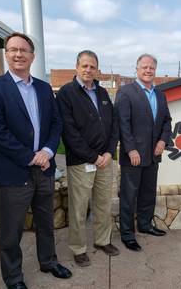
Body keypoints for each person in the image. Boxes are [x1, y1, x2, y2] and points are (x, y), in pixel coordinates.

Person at [0, 32, 71, 289]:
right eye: (12, 50)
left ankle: (49, 261)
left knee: (46, 221)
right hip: (13, 172)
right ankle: (13, 277)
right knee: (11, 231)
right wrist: (31, 156)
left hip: (44, 169)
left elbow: (56, 123)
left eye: (23, 50)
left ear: (33, 56)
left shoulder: (43, 88)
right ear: (6, 54)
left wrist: (48, 151)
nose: (18, 54)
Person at [56, 50, 120, 267]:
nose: (88, 70)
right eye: (84, 66)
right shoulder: (66, 93)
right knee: (79, 208)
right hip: (82, 162)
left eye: (92, 67)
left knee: (103, 204)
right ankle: (78, 248)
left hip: (105, 160)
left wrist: (110, 153)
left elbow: (113, 125)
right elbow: (69, 132)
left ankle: (102, 241)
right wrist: (93, 156)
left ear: (97, 69)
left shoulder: (102, 93)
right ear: (77, 67)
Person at [115, 53, 172, 251]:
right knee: (129, 195)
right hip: (134, 156)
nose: (148, 71)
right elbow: (123, 124)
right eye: (144, 67)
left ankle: (146, 225)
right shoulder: (125, 92)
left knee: (148, 193)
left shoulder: (160, 94)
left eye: (151, 68)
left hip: (153, 154)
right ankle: (127, 234)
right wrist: (130, 149)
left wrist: (163, 140)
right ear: (137, 69)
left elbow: (167, 121)